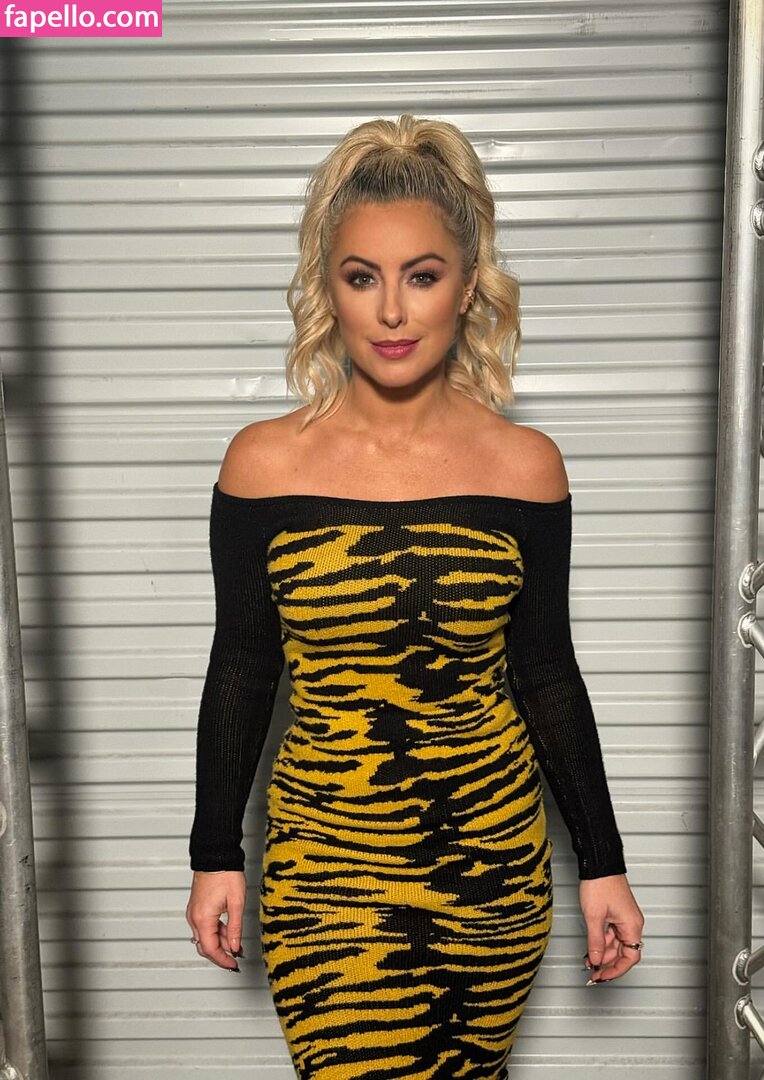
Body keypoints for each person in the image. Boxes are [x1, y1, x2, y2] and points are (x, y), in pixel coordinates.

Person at [185, 113, 644, 1079]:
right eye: (362, 278)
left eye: (422, 276)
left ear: (467, 286)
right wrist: (214, 853)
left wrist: (603, 864)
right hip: (327, 869)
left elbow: (547, 673)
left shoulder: (525, 468)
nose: (392, 312)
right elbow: (242, 669)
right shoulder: (263, 465)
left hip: (490, 870)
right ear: (329, 288)